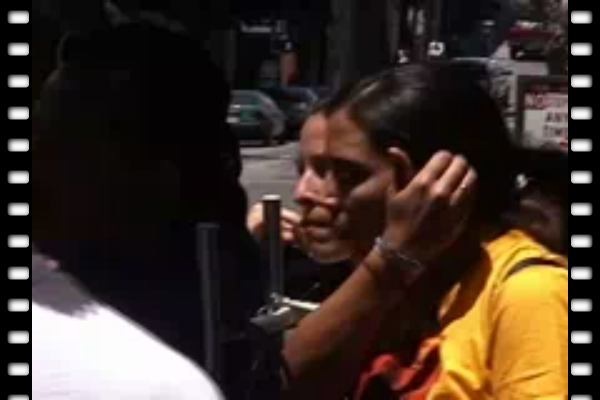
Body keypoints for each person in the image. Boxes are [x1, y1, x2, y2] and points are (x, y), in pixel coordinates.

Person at [281, 63, 567, 400]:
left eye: (348, 176)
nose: (311, 193)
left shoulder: (529, 292)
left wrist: (392, 256)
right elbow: (283, 385)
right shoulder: (404, 282)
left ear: (426, 182)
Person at [32, 19, 265, 399]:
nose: (34, 162)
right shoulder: (218, 265)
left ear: (156, 178)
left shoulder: (147, 331)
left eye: (57, 143)